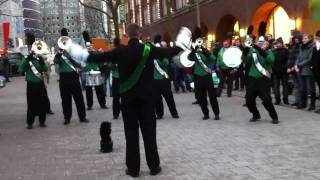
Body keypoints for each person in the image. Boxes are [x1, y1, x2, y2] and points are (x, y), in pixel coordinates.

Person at [87, 23, 184, 177]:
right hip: (147, 100)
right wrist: (181, 45)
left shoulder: (120, 50)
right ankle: (154, 166)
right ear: (139, 34)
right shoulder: (148, 49)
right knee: (149, 134)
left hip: (128, 101)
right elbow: (168, 52)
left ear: (126, 35)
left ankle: (133, 169)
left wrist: (81, 53)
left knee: (131, 135)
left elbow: (100, 57)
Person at [54, 28, 88, 125]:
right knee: (65, 100)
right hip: (64, 77)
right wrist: (60, 53)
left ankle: (82, 117)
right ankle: (67, 118)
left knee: (79, 98)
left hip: (73, 76)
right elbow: (55, 62)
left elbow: (79, 64)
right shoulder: (59, 53)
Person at [243, 37, 279, 124]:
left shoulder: (270, 52)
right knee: (248, 100)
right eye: (260, 43)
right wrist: (246, 50)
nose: (261, 44)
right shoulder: (253, 51)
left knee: (266, 100)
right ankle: (256, 114)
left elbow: (270, 60)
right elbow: (245, 60)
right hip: (252, 78)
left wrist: (260, 50)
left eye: (264, 43)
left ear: (267, 45)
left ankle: (274, 116)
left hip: (264, 79)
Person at [187, 38, 220, 120]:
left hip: (207, 76)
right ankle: (206, 113)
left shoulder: (207, 53)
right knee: (200, 96)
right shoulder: (195, 54)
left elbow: (213, 58)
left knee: (212, 96)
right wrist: (194, 50)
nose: (200, 45)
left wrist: (205, 51)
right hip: (198, 76)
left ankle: (216, 113)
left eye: (201, 44)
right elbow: (189, 58)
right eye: (199, 43)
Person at [19, 51, 48, 129]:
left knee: (42, 103)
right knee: (31, 104)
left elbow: (45, 69)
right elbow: (21, 69)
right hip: (31, 85)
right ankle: (30, 123)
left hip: (40, 84)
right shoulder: (26, 60)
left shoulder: (39, 60)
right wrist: (28, 59)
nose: (35, 54)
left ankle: (42, 121)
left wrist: (42, 62)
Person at [153, 40, 179, 119]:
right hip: (154, 79)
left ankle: (174, 113)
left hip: (164, 79)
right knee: (157, 99)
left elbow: (166, 64)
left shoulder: (164, 56)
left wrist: (160, 58)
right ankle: (159, 114)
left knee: (169, 97)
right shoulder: (151, 57)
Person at [83, 43, 107, 110]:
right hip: (89, 72)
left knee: (99, 89)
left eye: (90, 46)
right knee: (89, 91)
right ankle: (89, 105)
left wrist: (99, 52)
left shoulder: (95, 53)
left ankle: (103, 104)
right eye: (88, 46)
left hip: (96, 72)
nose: (89, 47)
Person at [295, 34, 316, 111]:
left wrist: (299, 65)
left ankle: (312, 105)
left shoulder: (312, 47)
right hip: (300, 70)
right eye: (303, 38)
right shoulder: (301, 46)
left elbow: (309, 59)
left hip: (308, 70)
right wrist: (296, 64)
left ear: (310, 39)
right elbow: (298, 57)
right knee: (302, 88)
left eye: (305, 38)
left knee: (310, 88)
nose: (303, 40)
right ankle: (303, 104)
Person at [272, 37, 289, 105]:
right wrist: (274, 68)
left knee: (285, 85)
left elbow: (287, 60)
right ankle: (277, 99)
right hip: (276, 71)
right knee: (276, 86)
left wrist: (284, 67)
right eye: (277, 43)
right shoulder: (273, 51)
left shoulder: (286, 51)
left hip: (283, 71)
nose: (278, 44)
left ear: (282, 43)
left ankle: (285, 99)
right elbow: (272, 61)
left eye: (280, 43)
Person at [287, 32, 303, 107]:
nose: (296, 39)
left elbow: (299, 58)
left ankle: (300, 102)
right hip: (292, 68)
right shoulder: (294, 46)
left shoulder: (300, 46)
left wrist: (294, 66)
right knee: (296, 86)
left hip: (298, 68)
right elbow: (290, 58)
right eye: (295, 38)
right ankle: (297, 101)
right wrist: (289, 67)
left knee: (300, 85)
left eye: (297, 38)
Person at [111, 37, 121, 119]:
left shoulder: (113, 52)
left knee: (116, 97)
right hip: (121, 76)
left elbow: (109, 65)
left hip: (116, 77)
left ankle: (116, 113)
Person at [312, 31, 320, 113]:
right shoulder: (315, 47)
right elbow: (314, 59)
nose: (315, 39)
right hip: (316, 71)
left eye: (316, 38)